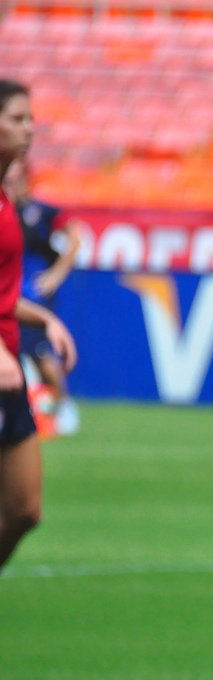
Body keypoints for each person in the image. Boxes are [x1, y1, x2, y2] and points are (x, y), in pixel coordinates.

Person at [0, 79, 78, 570]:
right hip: (3, 365)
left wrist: (43, 316)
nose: (30, 128)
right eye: (17, 119)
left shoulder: (6, 198)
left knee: (26, 510)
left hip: (7, 371)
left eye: (31, 118)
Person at [2, 157, 82, 435]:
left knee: (39, 354)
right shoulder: (6, 211)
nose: (10, 182)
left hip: (33, 296)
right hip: (13, 293)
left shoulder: (40, 211)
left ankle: (65, 406)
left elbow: (75, 235)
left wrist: (57, 274)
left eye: (15, 177)